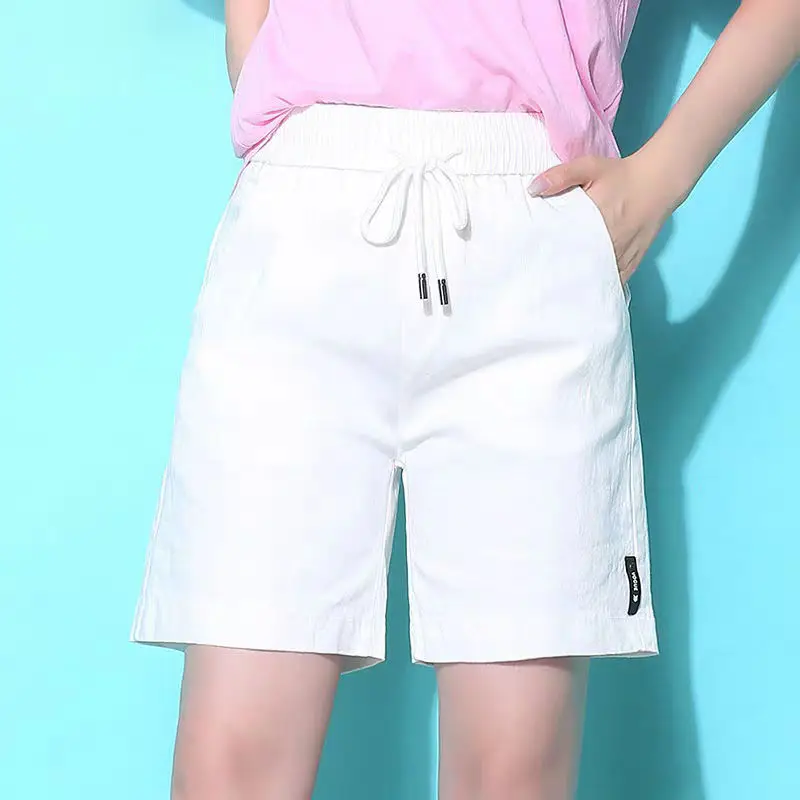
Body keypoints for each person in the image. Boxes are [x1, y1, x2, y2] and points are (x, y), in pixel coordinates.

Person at [131, 1, 800, 797]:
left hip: (531, 224)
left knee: (512, 771)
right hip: (304, 214)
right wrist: (257, 50)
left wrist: (661, 179)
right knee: (232, 765)